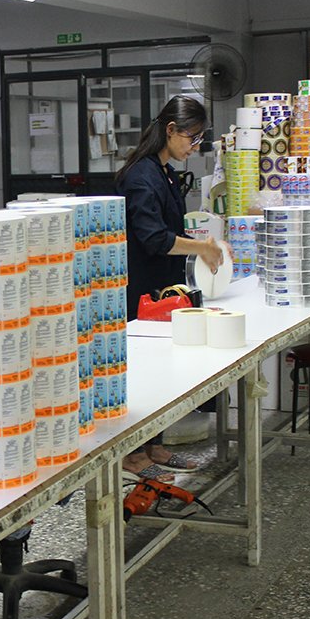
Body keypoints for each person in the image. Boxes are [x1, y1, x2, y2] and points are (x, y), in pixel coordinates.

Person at [116, 96, 223, 476]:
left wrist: (204, 245)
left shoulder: (165, 172)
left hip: (164, 290)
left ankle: (155, 446)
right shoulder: (139, 176)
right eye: (192, 138)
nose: (194, 147)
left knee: (163, 371)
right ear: (171, 130)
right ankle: (133, 454)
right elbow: (153, 238)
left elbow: (172, 230)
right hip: (141, 292)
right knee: (143, 373)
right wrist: (202, 248)